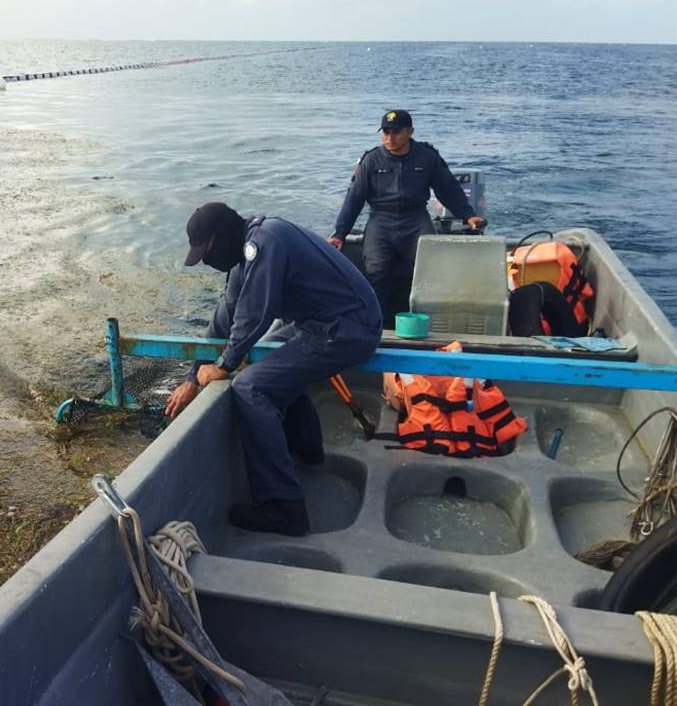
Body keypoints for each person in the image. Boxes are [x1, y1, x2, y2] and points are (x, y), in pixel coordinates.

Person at [164, 202, 382, 536]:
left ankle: (284, 507)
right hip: (320, 324)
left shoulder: (264, 244)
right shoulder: (243, 259)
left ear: (221, 238)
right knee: (268, 365)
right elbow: (224, 319)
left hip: (349, 327)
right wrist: (193, 377)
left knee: (249, 388)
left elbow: (253, 316)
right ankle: (308, 450)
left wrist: (224, 366)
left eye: (207, 252)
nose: (207, 262)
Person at [328, 110, 485, 324]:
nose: (390, 138)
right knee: (376, 272)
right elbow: (354, 199)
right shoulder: (371, 160)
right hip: (381, 221)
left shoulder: (427, 157)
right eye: (385, 132)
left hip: (415, 218)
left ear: (410, 132)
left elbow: (447, 189)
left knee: (428, 272)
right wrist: (339, 234)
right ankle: (375, 326)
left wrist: (469, 216)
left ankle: (424, 324)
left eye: (396, 132)